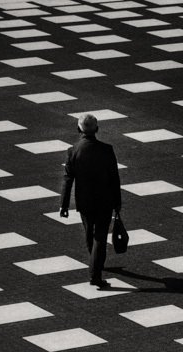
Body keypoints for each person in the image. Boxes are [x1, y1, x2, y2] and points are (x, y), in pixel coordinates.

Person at [59, 114, 122, 288]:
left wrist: (64, 205)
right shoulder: (107, 150)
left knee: (90, 235)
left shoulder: (73, 151)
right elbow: (114, 179)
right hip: (105, 200)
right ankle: (95, 272)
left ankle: (96, 263)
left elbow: (68, 179)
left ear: (79, 129)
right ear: (97, 128)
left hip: (84, 201)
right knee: (100, 237)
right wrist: (118, 202)